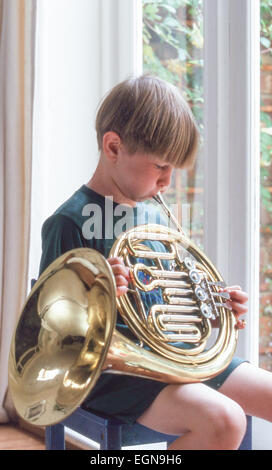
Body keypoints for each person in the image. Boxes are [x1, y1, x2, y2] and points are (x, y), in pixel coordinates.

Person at [39, 74, 272, 450]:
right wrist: (93, 294)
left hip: (175, 360)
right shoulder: (70, 221)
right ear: (113, 147)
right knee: (224, 420)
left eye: (173, 170)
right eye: (161, 166)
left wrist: (211, 308)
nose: (167, 181)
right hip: (109, 375)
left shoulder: (157, 219)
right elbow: (48, 327)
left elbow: (166, 301)